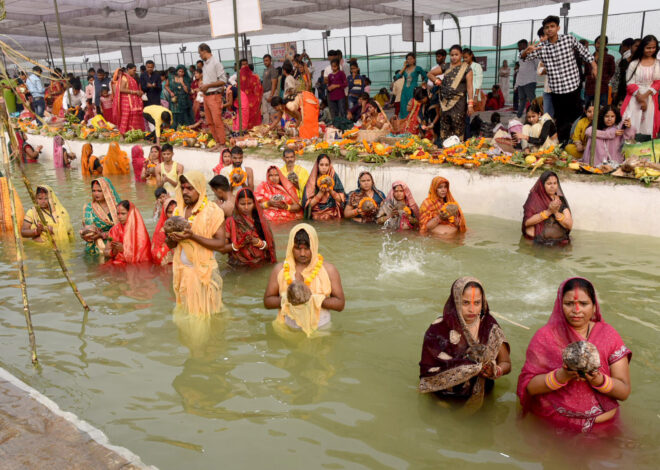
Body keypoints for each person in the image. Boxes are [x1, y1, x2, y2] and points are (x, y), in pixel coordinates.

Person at [517, 277, 632, 433]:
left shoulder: (608, 335)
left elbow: (624, 391)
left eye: (583, 304)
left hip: (605, 425)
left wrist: (599, 380)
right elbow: (529, 387)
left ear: (594, 306)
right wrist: (562, 376)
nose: (576, 310)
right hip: (556, 425)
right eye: (569, 304)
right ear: (559, 305)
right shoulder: (545, 336)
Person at [419, 277, 511, 406]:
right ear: (456, 302)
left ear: (483, 302)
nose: (472, 309)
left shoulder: (490, 326)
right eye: (466, 303)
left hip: (485, 395)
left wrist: (495, 370)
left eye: (477, 303)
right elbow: (429, 373)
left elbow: (506, 362)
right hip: (446, 398)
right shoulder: (438, 330)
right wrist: (467, 368)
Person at [521, 15, 596, 144]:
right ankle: (562, 143)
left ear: (558, 28)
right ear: (544, 30)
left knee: (577, 116)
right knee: (561, 119)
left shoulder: (568, 39)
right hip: (556, 90)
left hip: (573, 86)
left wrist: (594, 65)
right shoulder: (542, 47)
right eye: (546, 27)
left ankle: (579, 140)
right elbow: (524, 58)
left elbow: (584, 51)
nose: (549, 29)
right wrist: (526, 51)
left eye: (552, 26)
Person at [263, 224, 345, 337]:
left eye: (307, 248)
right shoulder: (280, 270)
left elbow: (340, 304)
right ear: (291, 246)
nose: (302, 253)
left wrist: (311, 300)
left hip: (321, 329)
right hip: (288, 329)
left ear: (314, 246)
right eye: (298, 248)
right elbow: (267, 302)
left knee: (320, 354)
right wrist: (289, 300)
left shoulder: (329, 270)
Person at [167, 171, 225, 315]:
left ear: (199, 188)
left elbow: (220, 243)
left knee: (204, 318)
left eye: (190, 188)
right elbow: (170, 245)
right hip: (182, 273)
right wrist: (171, 238)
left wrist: (193, 237)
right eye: (183, 188)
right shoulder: (178, 211)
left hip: (204, 274)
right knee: (187, 316)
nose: (185, 191)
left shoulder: (213, 211)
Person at [222, 188, 276, 268]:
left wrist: (259, 243)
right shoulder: (230, 222)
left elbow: (270, 247)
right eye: (243, 204)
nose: (246, 207)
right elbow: (223, 248)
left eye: (249, 203)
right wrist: (238, 245)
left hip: (260, 263)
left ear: (254, 204)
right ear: (237, 204)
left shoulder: (261, 220)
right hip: (238, 265)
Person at [621, 35, 660, 139]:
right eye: (648, 47)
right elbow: (629, 83)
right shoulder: (634, 63)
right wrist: (641, 100)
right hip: (634, 99)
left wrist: (645, 97)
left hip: (650, 99)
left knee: (647, 125)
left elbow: (657, 83)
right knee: (631, 124)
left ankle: (645, 152)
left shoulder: (658, 63)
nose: (651, 50)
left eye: (653, 47)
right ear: (642, 47)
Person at [522, 170, 573, 246]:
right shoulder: (534, 198)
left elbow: (569, 225)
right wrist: (549, 211)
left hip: (560, 243)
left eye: (555, 183)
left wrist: (555, 212)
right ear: (542, 185)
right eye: (549, 184)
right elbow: (527, 222)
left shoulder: (560, 200)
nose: (552, 186)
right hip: (534, 243)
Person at [436, 45, 474, 141]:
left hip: (459, 102)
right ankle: (445, 150)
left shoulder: (467, 69)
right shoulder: (446, 66)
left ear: (461, 55)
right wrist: (437, 81)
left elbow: (469, 87)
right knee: (445, 125)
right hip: (445, 103)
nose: (454, 57)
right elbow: (430, 74)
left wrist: (470, 105)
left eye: (456, 54)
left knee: (457, 124)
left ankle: (457, 150)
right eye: (452, 55)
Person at [81, 177, 121, 255]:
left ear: (106, 191)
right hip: (98, 244)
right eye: (93, 191)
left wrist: (105, 234)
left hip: (117, 241)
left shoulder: (117, 205)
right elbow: (89, 231)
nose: (96, 194)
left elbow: (125, 226)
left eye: (99, 191)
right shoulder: (89, 208)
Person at [104, 200, 152, 265]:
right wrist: (113, 252)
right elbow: (105, 252)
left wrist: (124, 249)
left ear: (131, 213)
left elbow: (144, 255)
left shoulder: (140, 231)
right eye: (118, 214)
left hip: (135, 264)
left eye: (123, 214)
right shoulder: (114, 230)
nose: (119, 217)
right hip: (118, 263)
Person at [199, 43, 227, 151]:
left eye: (200, 53)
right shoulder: (205, 64)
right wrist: (203, 86)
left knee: (217, 121)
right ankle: (218, 142)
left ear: (204, 51)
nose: (199, 55)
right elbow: (209, 80)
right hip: (206, 95)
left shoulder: (216, 63)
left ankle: (223, 143)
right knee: (210, 121)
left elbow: (223, 80)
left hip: (214, 96)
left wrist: (208, 86)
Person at [301, 153, 345, 221]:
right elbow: (308, 205)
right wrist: (320, 193)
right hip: (316, 214)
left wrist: (330, 190)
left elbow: (341, 200)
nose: (324, 167)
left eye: (326, 165)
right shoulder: (313, 180)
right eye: (321, 165)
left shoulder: (333, 177)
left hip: (332, 213)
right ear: (317, 166)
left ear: (329, 166)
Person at [112, 65, 144, 134]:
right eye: (133, 70)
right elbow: (121, 89)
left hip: (132, 102)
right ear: (128, 69)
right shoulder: (125, 77)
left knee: (132, 118)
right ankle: (124, 134)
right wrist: (135, 92)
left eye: (135, 70)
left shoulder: (132, 78)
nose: (135, 72)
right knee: (126, 118)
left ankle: (133, 133)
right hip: (127, 102)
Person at [585, 35, 616, 107]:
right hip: (589, 88)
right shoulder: (589, 58)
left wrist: (604, 79)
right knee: (588, 108)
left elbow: (612, 72)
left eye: (602, 43)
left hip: (602, 89)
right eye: (598, 43)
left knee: (602, 110)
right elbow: (586, 72)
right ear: (595, 44)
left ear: (605, 44)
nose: (599, 45)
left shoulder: (610, 58)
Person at [394, 53, 426, 118]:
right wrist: (404, 67)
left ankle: (413, 123)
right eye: (407, 59)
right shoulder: (405, 69)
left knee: (413, 106)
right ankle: (404, 124)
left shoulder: (418, 68)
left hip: (413, 90)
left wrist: (423, 83)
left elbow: (426, 76)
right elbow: (396, 77)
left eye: (411, 59)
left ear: (414, 60)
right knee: (403, 107)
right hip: (404, 91)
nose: (409, 60)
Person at [514, 40, 539, 118]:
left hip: (530, 81)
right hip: (521, 82)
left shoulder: (533, 55)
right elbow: (520, 72)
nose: (519, 48)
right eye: (518, 46)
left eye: (520, 46)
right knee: (522, 100)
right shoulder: (520, 57)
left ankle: (536, 114)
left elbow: (537, 65)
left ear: (525, 46)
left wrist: (532, 54)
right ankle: (519, 116)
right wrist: (516, 85)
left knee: (532, 100)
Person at [151, 197, 177, 265]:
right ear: (165, 213)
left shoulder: (183, 225)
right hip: (167, 264)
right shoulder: (161, 231)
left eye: (175, 211)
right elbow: (156, 254)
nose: (173, 215)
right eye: (169, 212)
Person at [239, 64, 263, 130]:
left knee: (247, 119)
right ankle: (256, 133)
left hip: (245, 103)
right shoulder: (255, 78)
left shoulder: (241, 80)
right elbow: (259, 90)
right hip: (255, 102)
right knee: (255, 118)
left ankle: (248, 134)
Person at [463, 49, 484, 114]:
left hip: (473, 93)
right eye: (463, 58)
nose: (465, 59)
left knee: (470, 114)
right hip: (464, 93)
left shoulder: (477, 66)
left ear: (471, 56)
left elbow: (479, 82)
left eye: (466, 57)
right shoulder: (463, 66)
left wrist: (475, 96)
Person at [262, 54, 279, 123]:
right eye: (264, 61)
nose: (265, 62)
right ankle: (267, 128)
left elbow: (274, 84)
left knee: (272, 111)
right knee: (265, 112)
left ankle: (274, 128)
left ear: (270, 61)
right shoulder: (265, 70)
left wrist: (271, 95)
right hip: (265, 93)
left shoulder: (273, 70)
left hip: (271, 92)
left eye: (267, 60)